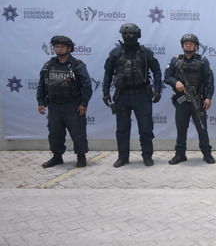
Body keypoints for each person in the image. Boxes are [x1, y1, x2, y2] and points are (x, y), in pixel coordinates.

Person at [102, 23, 162, 168]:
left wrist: (157, 90)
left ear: (138, 35)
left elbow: (157, 72)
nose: (128, 37)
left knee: (146, 128)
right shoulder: (115, 53)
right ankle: (123, 157)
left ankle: (147, 156)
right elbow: (108, 74)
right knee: (122, 128)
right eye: (126, 34)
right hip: (122, 96)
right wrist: (105, 92)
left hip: (142, 96)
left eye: (132, 34)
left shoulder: (146, 53)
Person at [37, 36, 92, 168]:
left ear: (69, 48)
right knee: (55, 132)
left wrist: (83, 104)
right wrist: (40, 102)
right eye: (57, 47)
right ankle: (57, 157)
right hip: (54, 105)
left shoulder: (77, 65)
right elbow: (42, 84)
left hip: (72, 105)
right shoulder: (48, 65)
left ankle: (81, 156)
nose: (59, 49)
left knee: (77, 132)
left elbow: (86, 85)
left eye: (62, 47)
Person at [164, 33, 215, 165]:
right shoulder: (176, 61)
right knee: (181, 129)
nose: (188, 45)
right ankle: (180, 154)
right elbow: (167, 77)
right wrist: (176, 82)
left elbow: (209, 81)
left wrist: (208, 98)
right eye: (186, 44)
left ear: (196, 46)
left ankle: (207, 154)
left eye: (191, 44)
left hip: (198, 100)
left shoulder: (203, 61)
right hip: (181, 101)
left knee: (202, 129)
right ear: (182, 46)